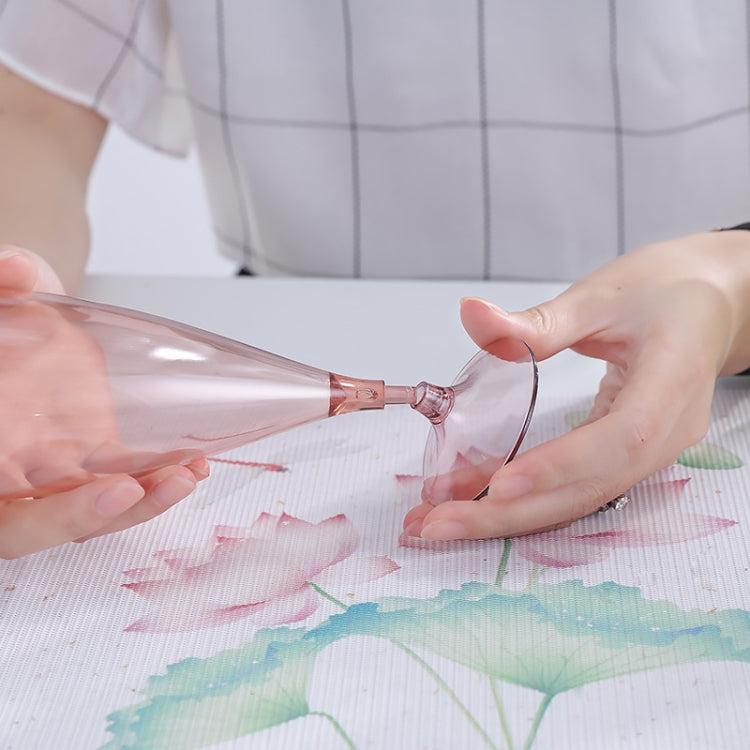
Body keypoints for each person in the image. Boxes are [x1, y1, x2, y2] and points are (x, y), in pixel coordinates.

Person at [1, 1, 750, 558]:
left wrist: (730, 286)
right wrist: (18, 289)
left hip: (713, 349)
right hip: (275, 310)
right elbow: (37, 114)